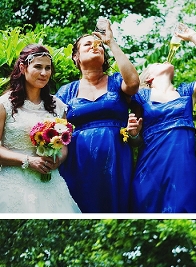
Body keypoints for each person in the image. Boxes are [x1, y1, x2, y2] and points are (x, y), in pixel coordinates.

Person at [130, 25, 196, 213]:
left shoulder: (187, 94)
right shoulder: (140, 98)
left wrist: (193, 36)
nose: (162, 62)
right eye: (156, 64)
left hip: (183, 169)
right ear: (148, 79)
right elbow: (136, 138)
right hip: (149, 170)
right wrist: (133, 134)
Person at [56, 20, 140, 212]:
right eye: (87, 44)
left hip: (116, 157)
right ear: (76, 57)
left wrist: (110, 42)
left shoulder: (117, 81)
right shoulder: (66, 91)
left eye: (99, 45)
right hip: (78, 161)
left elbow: (134, 83)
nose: (95, 46)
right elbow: (56, 128)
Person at [0, 44, 81, 212]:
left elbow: (64, 145)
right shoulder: (4, 104)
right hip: (13, 184)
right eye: (38, 67)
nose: (44, 73)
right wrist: (28, 161)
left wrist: (57, 160)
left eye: (48, 68)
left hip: (51, 183)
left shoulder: (58, 106)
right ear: (23, 68)